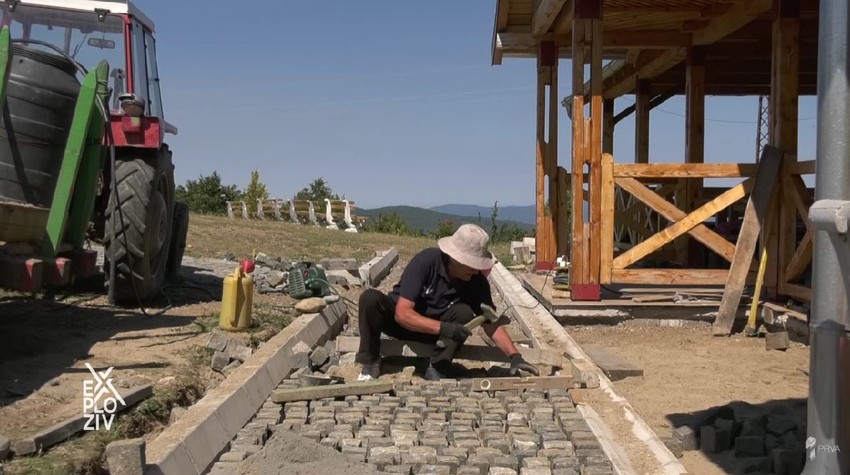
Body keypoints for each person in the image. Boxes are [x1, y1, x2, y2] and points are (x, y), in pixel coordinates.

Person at [356, 223, 540, 381]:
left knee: (464, 313)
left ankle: (437, 367)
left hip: (438, 339)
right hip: (402, 324)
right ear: (455, 258)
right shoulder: (427, 262)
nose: (476, 270)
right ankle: (370, 362)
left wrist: (514, 356)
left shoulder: (477, 282)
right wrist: (443, 328)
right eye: (472, 264)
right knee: (369, 299)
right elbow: (402, 314)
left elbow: (490, 322)